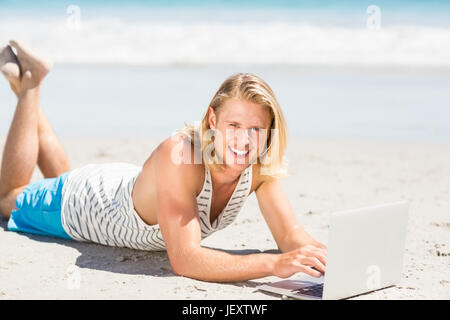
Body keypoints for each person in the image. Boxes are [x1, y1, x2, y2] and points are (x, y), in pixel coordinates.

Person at [0, 40, 327, 282]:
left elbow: (290, 235)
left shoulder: (256, 165)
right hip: (80, 206)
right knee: (8, 197)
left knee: (65, 177)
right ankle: (30, 87)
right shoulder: (181, 155)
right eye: (234, 126)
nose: (244, 140)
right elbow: (185, 260)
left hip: (114, 185)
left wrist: (327, 257)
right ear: (212, 120)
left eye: (256, 128)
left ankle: (25, 88)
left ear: (269, 130)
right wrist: (271, 265)